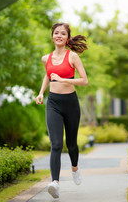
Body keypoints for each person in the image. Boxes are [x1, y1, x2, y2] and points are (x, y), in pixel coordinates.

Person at [35, 22, 88, 199]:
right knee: (56, 144)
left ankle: (74, 168)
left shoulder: (72, 57)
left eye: (62, 33)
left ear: (67, 38)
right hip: (54, 104)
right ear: (52, 36)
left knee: (71, 144)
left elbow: (84, 81)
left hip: (71, 103)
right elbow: (48, 75)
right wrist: (41, 92)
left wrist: (64, 80)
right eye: (56, 33)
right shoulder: (46, 58)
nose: (59, 35)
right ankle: (55, 183)